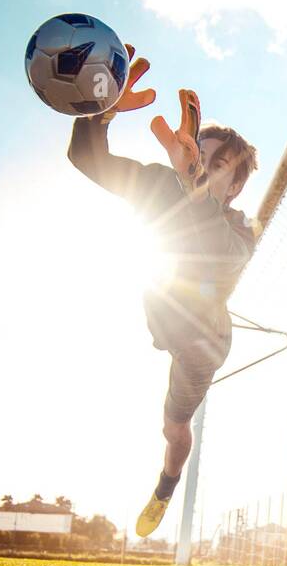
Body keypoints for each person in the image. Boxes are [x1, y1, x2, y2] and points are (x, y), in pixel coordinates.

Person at [67, 44, 260, 536]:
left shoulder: (239, 228)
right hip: (164, 322)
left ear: (235, 186)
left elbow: (217, 254)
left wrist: (192, 176)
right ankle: (166, 473)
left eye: (217, 166)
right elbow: (86, 158)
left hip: (202, 343)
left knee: (173, 429)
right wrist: (100, 113)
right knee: (163, 423)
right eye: (199, 151)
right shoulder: (158, 184)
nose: (201, 162)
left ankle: (166, 484)